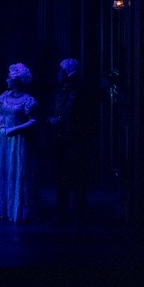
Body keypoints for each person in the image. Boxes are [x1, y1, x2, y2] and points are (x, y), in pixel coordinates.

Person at [0, 63, 39, 222]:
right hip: (4, 140)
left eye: (10, 77)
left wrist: (14, 129)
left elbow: (33, 120)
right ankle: (1, 207)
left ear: (17, 80)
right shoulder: (4, 96)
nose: (7, 80)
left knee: (17, 172)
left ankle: (17, 209)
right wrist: (2, 125)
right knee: (3, 171)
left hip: (18, 142)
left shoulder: (28, 100)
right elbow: (0, 114)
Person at [48, 58, 92, 225]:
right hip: (60, 139)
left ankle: (80, 216)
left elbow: (84, 117)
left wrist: (67, 123)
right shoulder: (61, 89)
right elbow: (53, 110)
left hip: (75, 140)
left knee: (78, 178)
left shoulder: (80, 91)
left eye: (61, 71)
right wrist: (51, 119)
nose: (58, 74)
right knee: (61, 178)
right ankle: (62, 214)